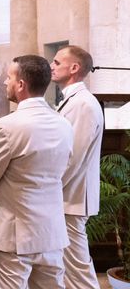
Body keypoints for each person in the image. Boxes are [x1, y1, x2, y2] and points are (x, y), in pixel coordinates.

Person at [0, 55, 74, 289]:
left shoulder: (6, 126)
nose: (5, 83)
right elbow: (64, 173)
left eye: (9, 78)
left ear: (21, 85)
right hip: (51, 230)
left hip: (13, 233)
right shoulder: (64, 124)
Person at [51, 45, 104, 289]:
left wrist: (48, 189)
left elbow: (74, 157)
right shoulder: (73, 100)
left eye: (56, 62)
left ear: (74, 68)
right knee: (67, 267)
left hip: (72, 197)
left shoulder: (83, 104)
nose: (51, 66)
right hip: (66, 196)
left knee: (78, 269)